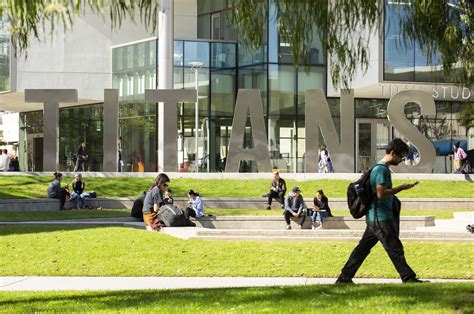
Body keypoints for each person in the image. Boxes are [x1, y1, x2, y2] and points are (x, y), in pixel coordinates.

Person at [336, 138, 426, 284]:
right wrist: (401, 188)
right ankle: (408, 278)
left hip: (375, 217)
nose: (401, 161)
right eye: (400, 157)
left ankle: (344, 277)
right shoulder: (381, 170)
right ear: (392, 153)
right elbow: (381, 193)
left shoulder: (380, 169)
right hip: (380, 218)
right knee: (395, 248)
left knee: (362, 249)